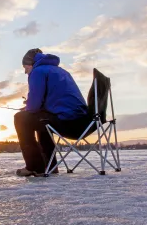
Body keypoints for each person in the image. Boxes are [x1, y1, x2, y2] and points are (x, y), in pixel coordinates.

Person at [14, 48, 92, 177]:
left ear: (30, 64)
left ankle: (35, 167)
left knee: (21, 118)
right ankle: (50, 166)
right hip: (83, 121)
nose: (25, 71)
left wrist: (28, 107)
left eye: (25, 67)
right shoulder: (61, 71)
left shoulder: (37, 71)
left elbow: (33, 106)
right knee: (41, 120)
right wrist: (32, 107)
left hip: (68, 122)